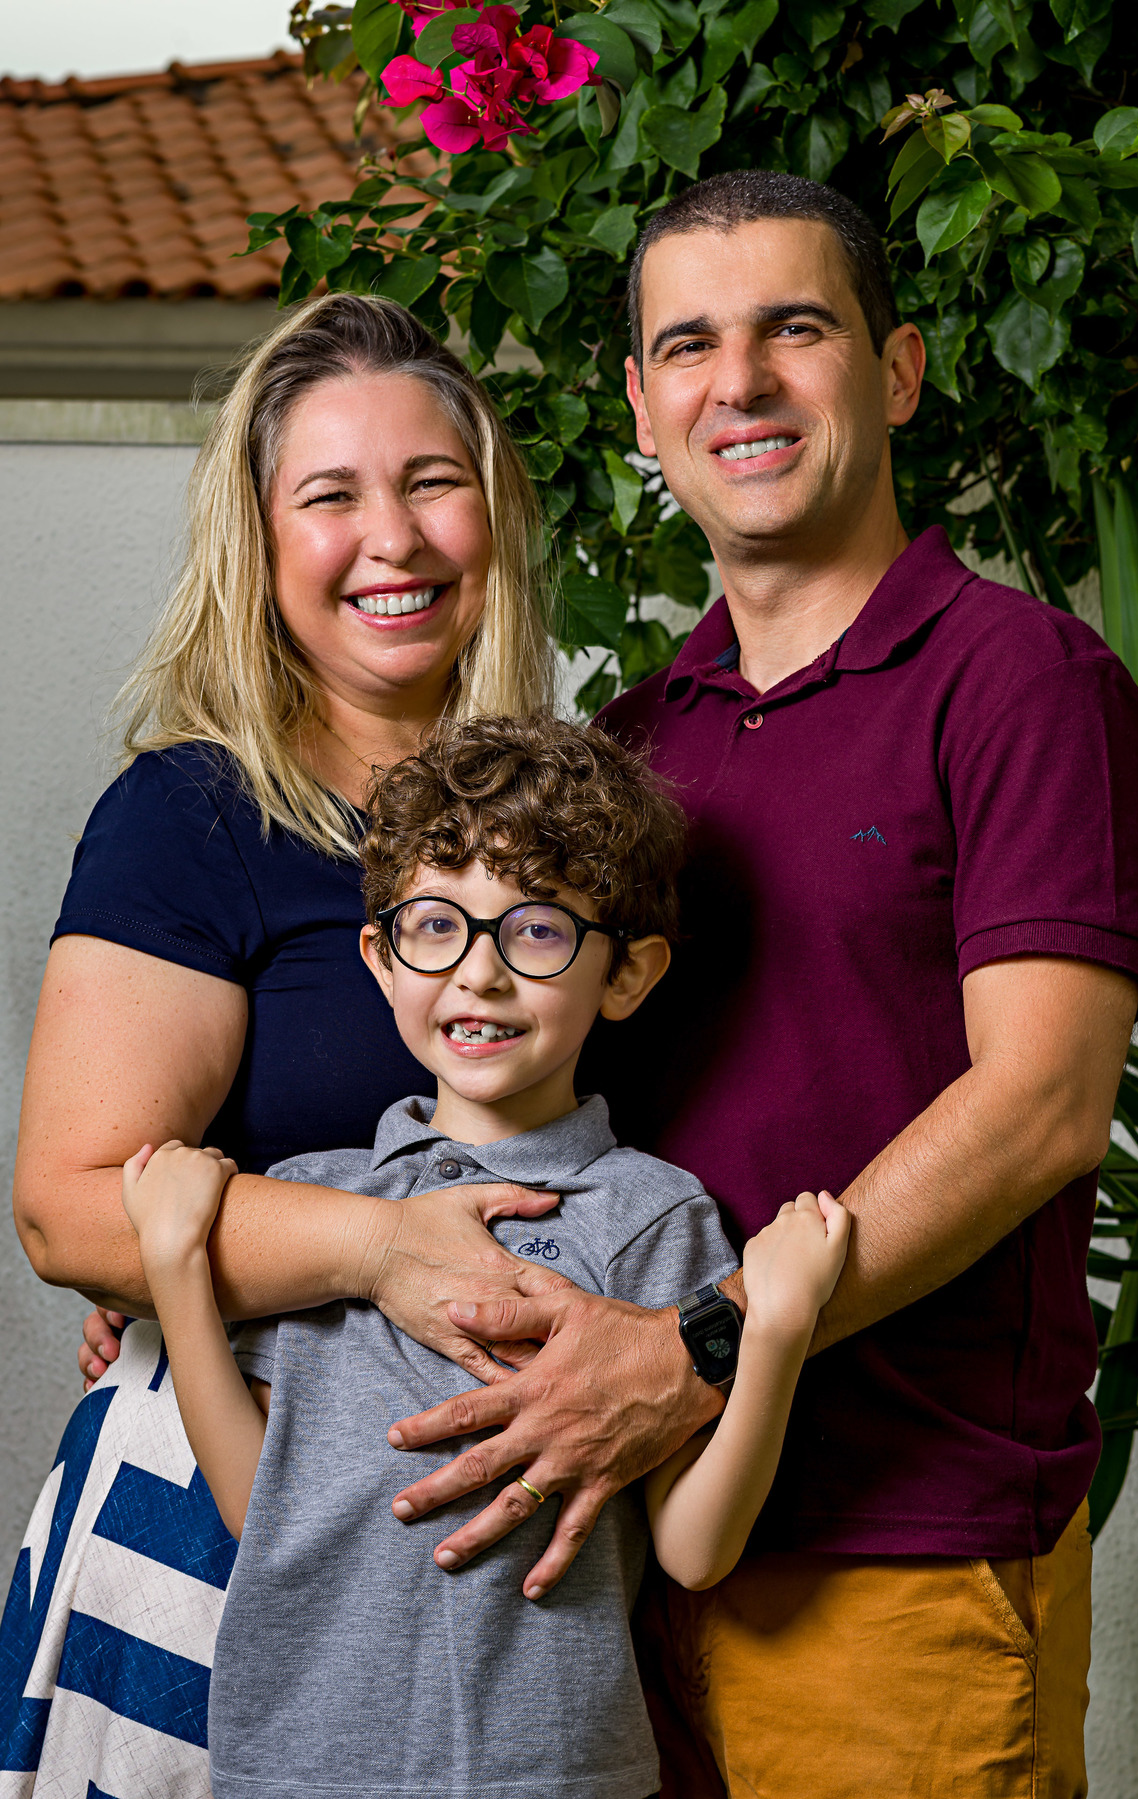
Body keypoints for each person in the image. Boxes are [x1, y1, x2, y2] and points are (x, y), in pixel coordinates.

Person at [356, 174, 1138, 1797]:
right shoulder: (636, 736)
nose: (740, 381)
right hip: (627, 1553)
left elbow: (1044, 1104)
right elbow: (518, 1060)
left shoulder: (1022, 682)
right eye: (690, 345)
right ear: (647, 406)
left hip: (898, 1556)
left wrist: (698, 1345)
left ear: (898, 369)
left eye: (795, 327)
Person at [2, 292, 564, 1788]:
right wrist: (368, 1249)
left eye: (433, 481)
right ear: (259, 543)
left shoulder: (577, 820)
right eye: (331, 495)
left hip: (509, 1550)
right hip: (218, 1519)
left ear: (493, 512)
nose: (394, 537)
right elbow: (69, 1199)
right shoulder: (196, 817)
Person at [117, 714, 849, 1799]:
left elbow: (692, 1550)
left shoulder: (656, 1218)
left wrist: (776, 1330)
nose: (480, 974)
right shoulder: (314, 1202)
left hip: (552, 1769)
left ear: (628, 974)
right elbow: (253, 1504)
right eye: (436, 925)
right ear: (381, 953)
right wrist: (178, 1257)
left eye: (538, 930)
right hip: (297, 1762)